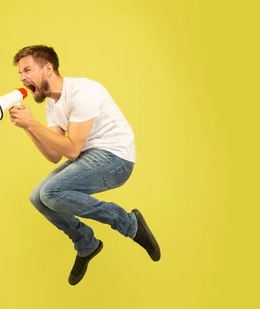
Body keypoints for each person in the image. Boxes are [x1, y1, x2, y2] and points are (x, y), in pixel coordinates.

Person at [9, 45, 161, 285]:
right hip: (90, 156)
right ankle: (86, 244)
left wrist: (33, 123)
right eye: (20, 74)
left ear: (48, 68)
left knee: (51, 192)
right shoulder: (52, 104)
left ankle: (129, 223)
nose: (22, 77)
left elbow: (71, 150)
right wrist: (28, 126)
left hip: (116, 159)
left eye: (27, 70)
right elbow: (53, 154)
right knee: (37, 197)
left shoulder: (83, 92)